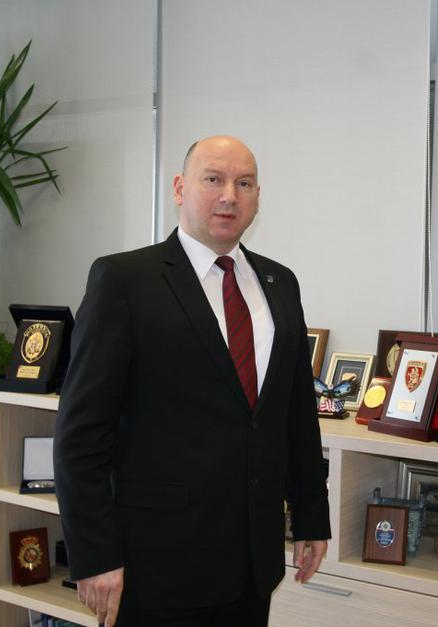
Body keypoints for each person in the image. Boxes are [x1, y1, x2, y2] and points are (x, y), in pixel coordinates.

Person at [54, 135, 330, 627]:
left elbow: (295, 413)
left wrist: (311, 514)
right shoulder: (125, 280)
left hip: (251, 562)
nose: (229, 196)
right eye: (213, 179)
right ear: (180, 188)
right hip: (156, 564)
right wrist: (94, 555)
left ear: (258, 197)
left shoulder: (280, 283)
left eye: (244, 184)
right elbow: (81, 433)